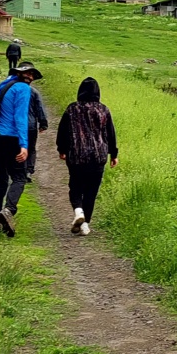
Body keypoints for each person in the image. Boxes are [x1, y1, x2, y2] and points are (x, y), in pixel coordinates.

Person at [0, 61, 42, 236]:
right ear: (19, 74)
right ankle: (8, 210)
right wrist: (24, 145)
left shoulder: (2, 86)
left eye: (32, 74)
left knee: (1, 179)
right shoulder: (23, 89)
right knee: (19, 177)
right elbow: (20, 117)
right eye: (28, 74)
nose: (30, 77)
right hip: (11, 138)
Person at [57, 76, 117, 235]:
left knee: (75, 186)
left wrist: (61, 149)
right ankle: (85, 225)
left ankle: (78, 212)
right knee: (91, 191)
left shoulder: (72, 109)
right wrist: (114, 154)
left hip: (76, 155)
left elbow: (63, 130)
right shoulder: (103, 109)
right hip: (98, 156)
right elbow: (110, 133)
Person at [26, 88, 50, 181]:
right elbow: (40, 108)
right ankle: (28, 170)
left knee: (17, 147)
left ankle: (19, 170)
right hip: (31, 125)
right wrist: (43, 123)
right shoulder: (34, 92)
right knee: (31, 148)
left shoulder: (11, 90)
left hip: (15, 125)